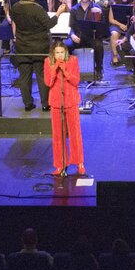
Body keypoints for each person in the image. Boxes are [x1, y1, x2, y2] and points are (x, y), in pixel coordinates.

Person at [10, 0, 67, 111]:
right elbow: (49, 24)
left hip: (22, 47)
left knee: (24, 77)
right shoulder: (37, 8)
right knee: (42, 76)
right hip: (39, 48)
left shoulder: (15, 7)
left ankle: (27, 104)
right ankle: (45, 104)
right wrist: (58, 12)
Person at [43, 41, 85, 176]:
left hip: (71, 101)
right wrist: (55, 69)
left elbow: (76, 80)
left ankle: (79, 163)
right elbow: (48, 82)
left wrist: (65, 71)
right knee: (57, 135)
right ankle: (60, 164)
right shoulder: (48, 62)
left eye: (62, 52)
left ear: (66, 52)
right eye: (57, 53)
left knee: (75, 134)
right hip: (56, 103)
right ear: (53, 53)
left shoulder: (73, 60)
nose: (60, 55)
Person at [67, 0, 107, 81]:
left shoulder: (96, 7)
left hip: (91, 37)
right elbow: (71, 26)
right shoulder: (74, 9)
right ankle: (68, 70)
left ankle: (98, 69)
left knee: (99, 45)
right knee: (67, 45)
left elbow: (103, 26)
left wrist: (100, 14)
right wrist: (72, 35)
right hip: (78, 37)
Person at [107, 0, 135, 65]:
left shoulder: (133, 3)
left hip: (130, 26)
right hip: (117, 25)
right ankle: (115, 56)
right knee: (114, 34)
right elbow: (111, 19)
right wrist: (120, 25)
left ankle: (130, 58)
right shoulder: (114, 2)